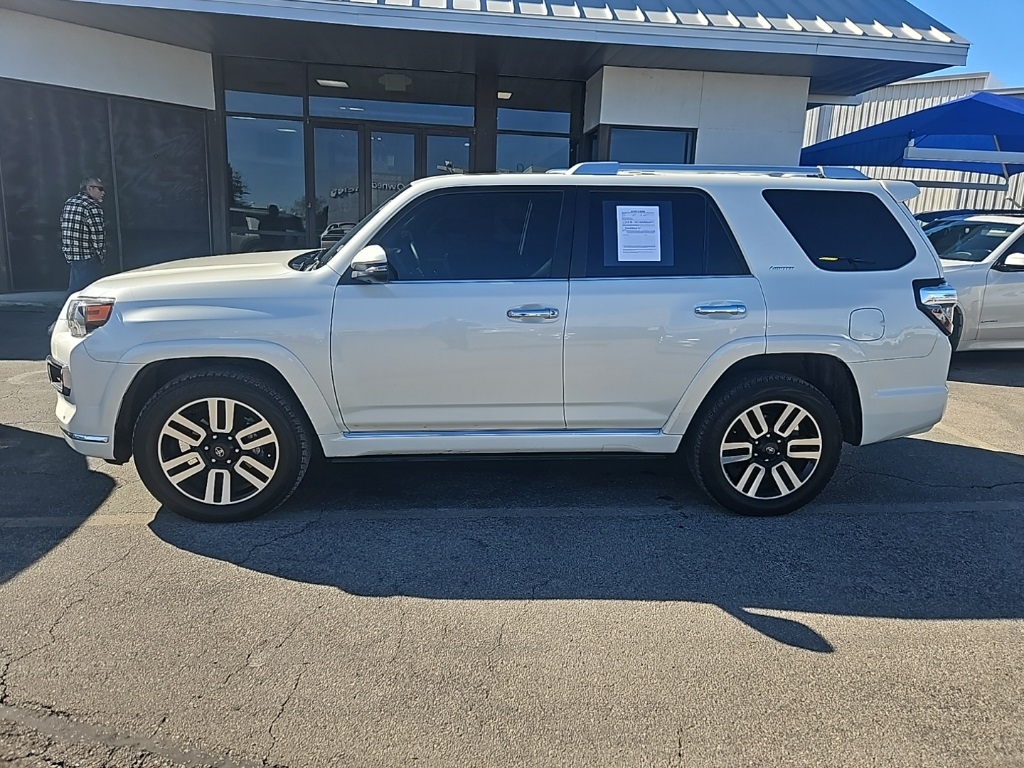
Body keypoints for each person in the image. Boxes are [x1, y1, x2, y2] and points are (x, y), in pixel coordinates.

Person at [61, 177, 106, 296]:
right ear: (89, 189)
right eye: (100, 189)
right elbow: (98, 236)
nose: (103, 193)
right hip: (88, 256)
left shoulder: (70, 202)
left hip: (72, 255)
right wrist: (101, 257)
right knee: (89, 294)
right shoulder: (92, 206)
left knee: (75, 291)